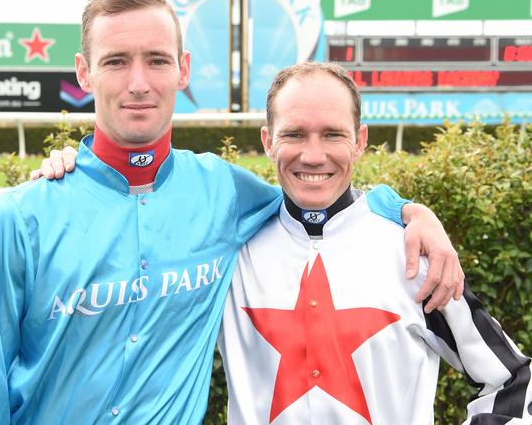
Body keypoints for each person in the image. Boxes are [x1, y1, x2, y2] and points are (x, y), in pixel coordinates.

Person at [0, 0, 462, 424]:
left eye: (156, 60)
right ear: (84, 73)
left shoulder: (224, 191)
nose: (138, 82)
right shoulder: (20, 216)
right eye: (115, 62)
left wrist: (409, 212)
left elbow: (324, 197)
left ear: (183, 69)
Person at [217, 62, 532, 424]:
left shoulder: (413, 253)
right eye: (295, 135)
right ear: (268, 142)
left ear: (360, 141)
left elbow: (514, 381)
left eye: (334, 134)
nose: (314, 155)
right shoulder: (229, 253)